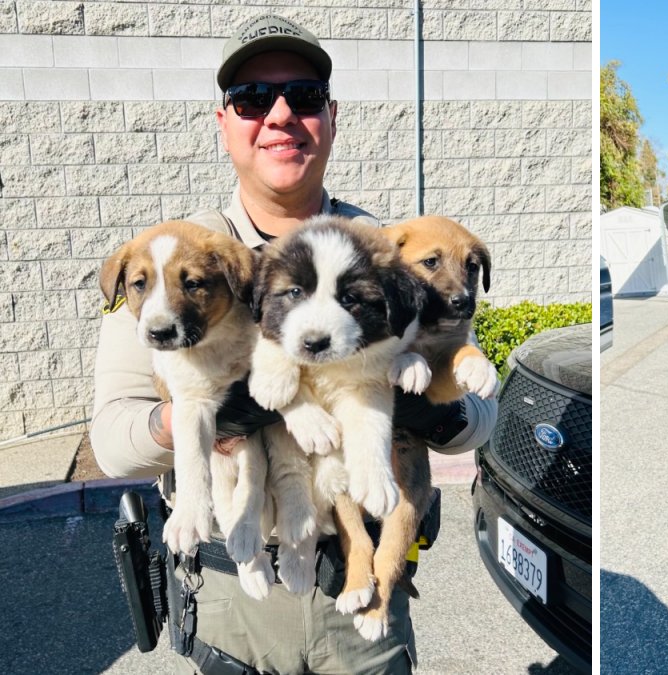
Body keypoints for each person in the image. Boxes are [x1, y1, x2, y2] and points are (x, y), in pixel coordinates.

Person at [90, 13, 497, 674]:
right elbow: (111, 439)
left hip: (358, 580)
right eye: (252, 100)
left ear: (331, 117)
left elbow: (477, 419)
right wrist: (207, 414)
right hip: (232, 586)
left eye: (303, 97)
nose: (280, 114)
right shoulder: (177, 258)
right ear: (223, 123)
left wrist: (428, 408)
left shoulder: (384, 244)